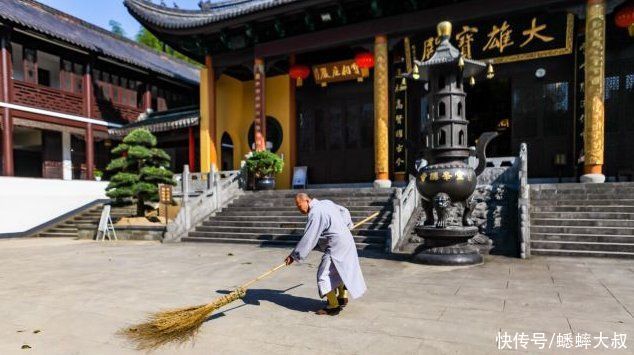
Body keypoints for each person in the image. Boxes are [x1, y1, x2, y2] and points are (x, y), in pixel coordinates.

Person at [285, 193, 367, 315]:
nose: (299, 209)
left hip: (336, 246)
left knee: (324, 274)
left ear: (306, 200)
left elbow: (309, 237)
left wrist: (294, 255)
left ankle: (333, 306)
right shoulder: (326, 203)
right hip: (346, 240)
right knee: (340, 269)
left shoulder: (315, 213)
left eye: (299, 205)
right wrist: (347, 225)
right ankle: (342, 297)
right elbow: (344, 211)